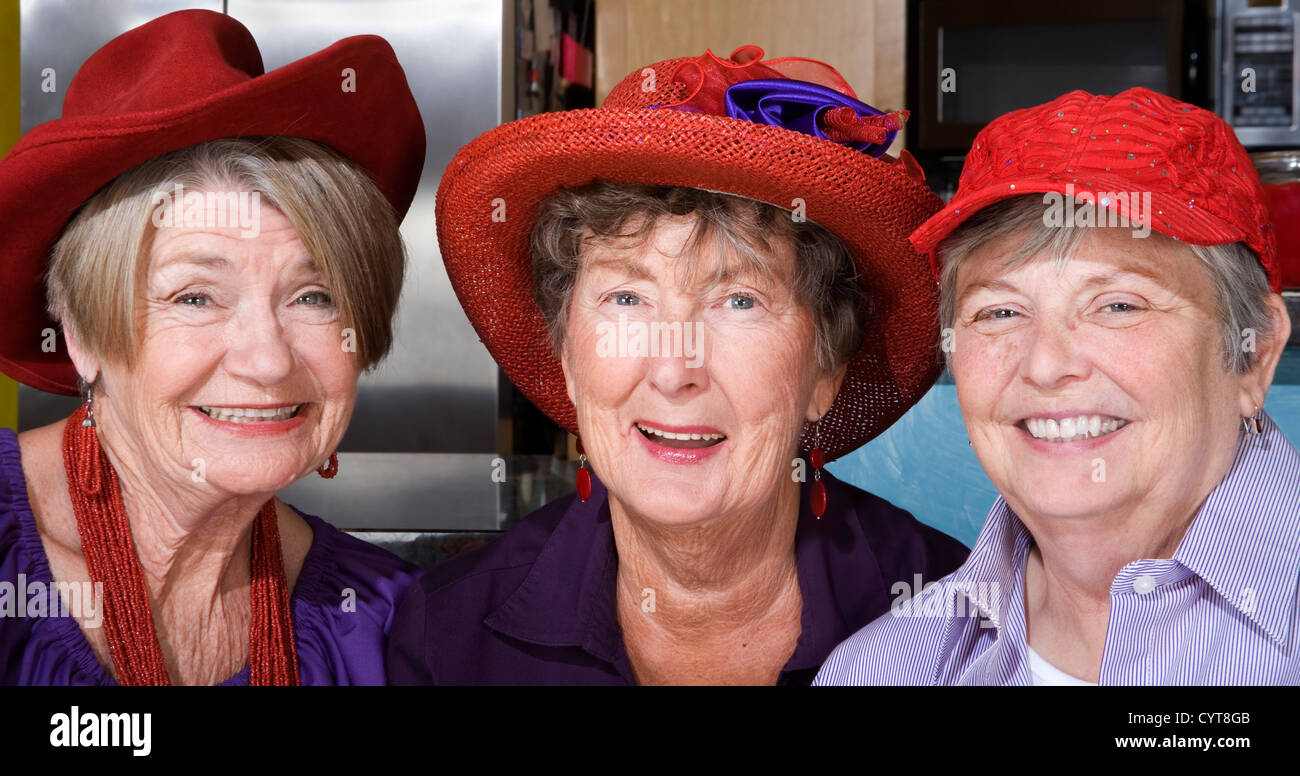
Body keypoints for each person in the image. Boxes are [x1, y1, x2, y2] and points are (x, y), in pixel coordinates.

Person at [388, 46, 969, 685]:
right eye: (627, 298)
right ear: (569, 357)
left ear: (825, 368)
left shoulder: (958, 626)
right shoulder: (446, 637)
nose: (674, 369)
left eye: (739, 300)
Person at [816, 87, 1298, 685]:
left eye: (1119, 304)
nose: (1045, 365)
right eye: (999, 312)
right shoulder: (884, 668)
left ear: (1254, 355)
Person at [0, 10, 427, 685]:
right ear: (81, 334)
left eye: (313, 297)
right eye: (194, 297)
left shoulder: (384, 624)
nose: (268, 361)